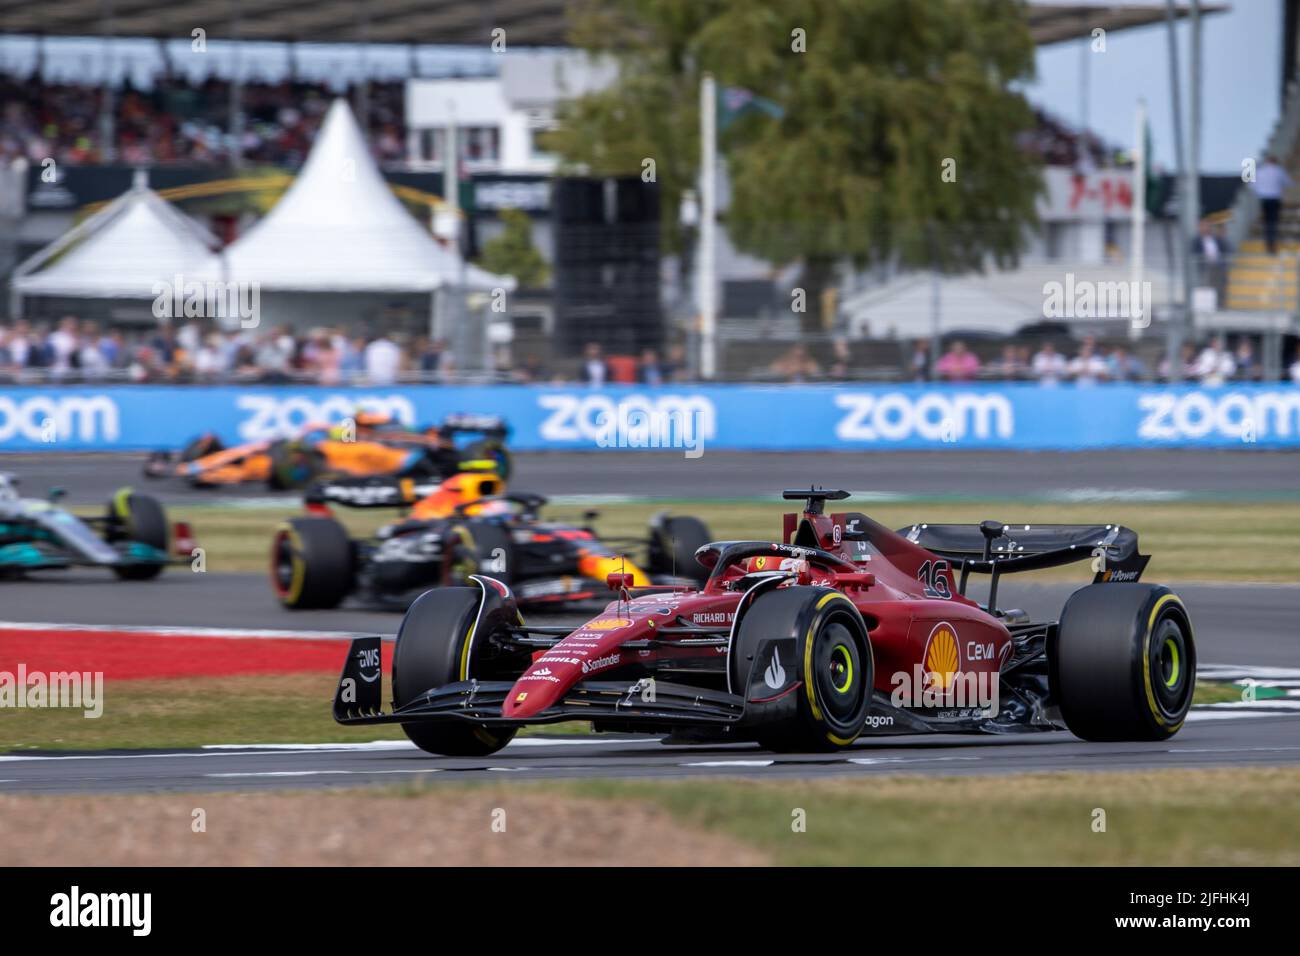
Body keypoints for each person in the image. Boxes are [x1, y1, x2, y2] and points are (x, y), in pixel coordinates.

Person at [1253, 155, 1292, 255]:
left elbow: (1252, 185)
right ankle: (1272, 243)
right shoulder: (1279, 170)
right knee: (1273, 222)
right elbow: (1288, 182)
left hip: (1264, 199)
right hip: (1274, 199)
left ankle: (1269, 243)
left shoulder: (1260, 171)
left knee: (1267, 222)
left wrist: (1260, 192)